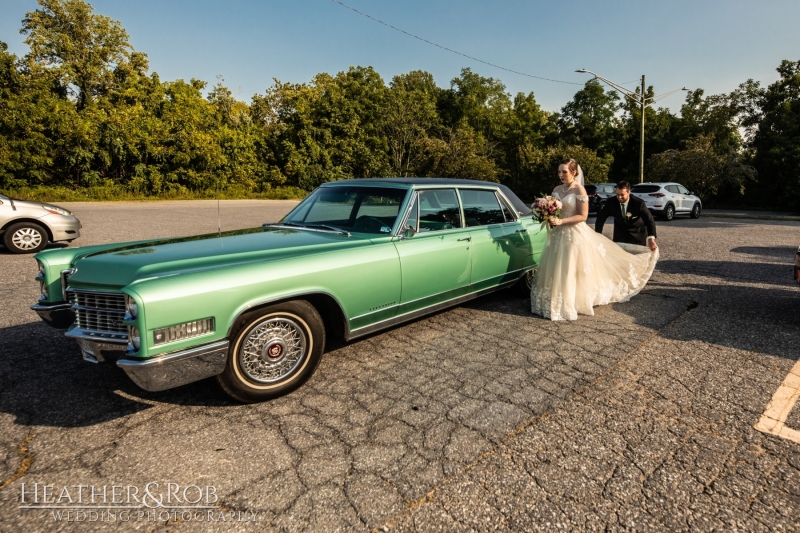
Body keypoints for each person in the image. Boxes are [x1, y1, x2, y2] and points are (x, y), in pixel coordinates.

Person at [531, 159, 659, 321]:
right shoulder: (556, 189)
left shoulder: (579, 190)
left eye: (564, 171)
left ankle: (572, 302)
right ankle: (554, 300)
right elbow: (556, 210)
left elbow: (583, 216)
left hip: (573, 234)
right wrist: (547, 215)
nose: (561, 175)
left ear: (574, 172)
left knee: (570, 267)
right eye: (559, 172)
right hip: (558, 234)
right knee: (556, 266)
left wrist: (561, 221)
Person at [594, 181, 658, 251]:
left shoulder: (638, 203)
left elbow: (649, 220)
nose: (619, 197)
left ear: (628, 192)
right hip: (620, 237)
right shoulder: (611, 202)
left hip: (637, 237)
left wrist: (651, 239)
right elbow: (601, 218)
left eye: (622, 195)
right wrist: (598, 236)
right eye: (617, 194)